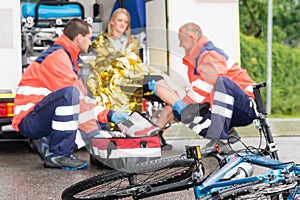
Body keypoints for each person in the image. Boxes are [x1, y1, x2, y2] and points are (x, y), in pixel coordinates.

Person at [12, 18, 129, 170]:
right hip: (29, 119)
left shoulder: (68, 57)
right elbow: (75, 100)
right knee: (70, 94)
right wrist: (95, 135)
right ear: (79, 38)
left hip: (40, 116)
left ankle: (58, 145)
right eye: (89, 38)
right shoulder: (58, 58)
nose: (90, 42)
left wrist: (108, 114)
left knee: (99, 121)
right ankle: (59, 155)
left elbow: (84, 102)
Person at [148, 22, 257, 154]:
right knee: (183, 111)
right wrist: (177, 105)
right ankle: (227, 133)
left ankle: (221, 139)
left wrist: (180, 99)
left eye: (181, 40)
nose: (180, 45)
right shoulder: (196, 58)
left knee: (221, 82)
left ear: (192, 37)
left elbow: (213, 84)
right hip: (233, 107)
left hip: (247, 106)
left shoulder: (208, 53)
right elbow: (201, 90)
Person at [88, 8, 179, 150]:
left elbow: (136, 64)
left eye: (125, 21)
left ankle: (154, 133)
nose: (122, 24)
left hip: (134, 78)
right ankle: (182, 106)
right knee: (158, 80)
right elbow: (104, 65)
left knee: (169, 100)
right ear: (112, 22)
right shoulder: (100, 41)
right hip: (114, 81)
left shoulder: (132, 42)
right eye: (119, 20)